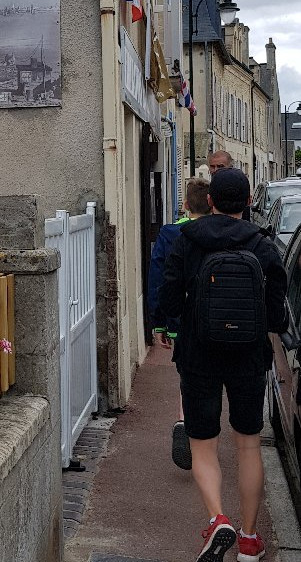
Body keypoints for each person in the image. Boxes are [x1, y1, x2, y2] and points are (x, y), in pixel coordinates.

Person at [160, 168, 288, 562]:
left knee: (203, 446)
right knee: (248, 444)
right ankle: (249, 540)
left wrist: (173, 326)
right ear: (249, 201)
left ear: (211, 201)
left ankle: (218, 520)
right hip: (249, 355)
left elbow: (169, 299)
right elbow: (277, 311)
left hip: (199, 355)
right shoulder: (264, 245)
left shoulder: (188, 240)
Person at [149, 178, 211, 470]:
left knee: (188, 375)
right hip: (216, 320)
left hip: (181, 320)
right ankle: (208, 435)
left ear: (185, 204)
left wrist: (159, 322)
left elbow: (159, 278)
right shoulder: (222, 233)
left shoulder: (171, 233)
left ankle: (186, 421)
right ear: (211, 204)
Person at [208, 150, 251, 220]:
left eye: (220, 166)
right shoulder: (208, 187)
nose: (215, 170)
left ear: (230, 166)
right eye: (212, 166)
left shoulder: (240, 184)